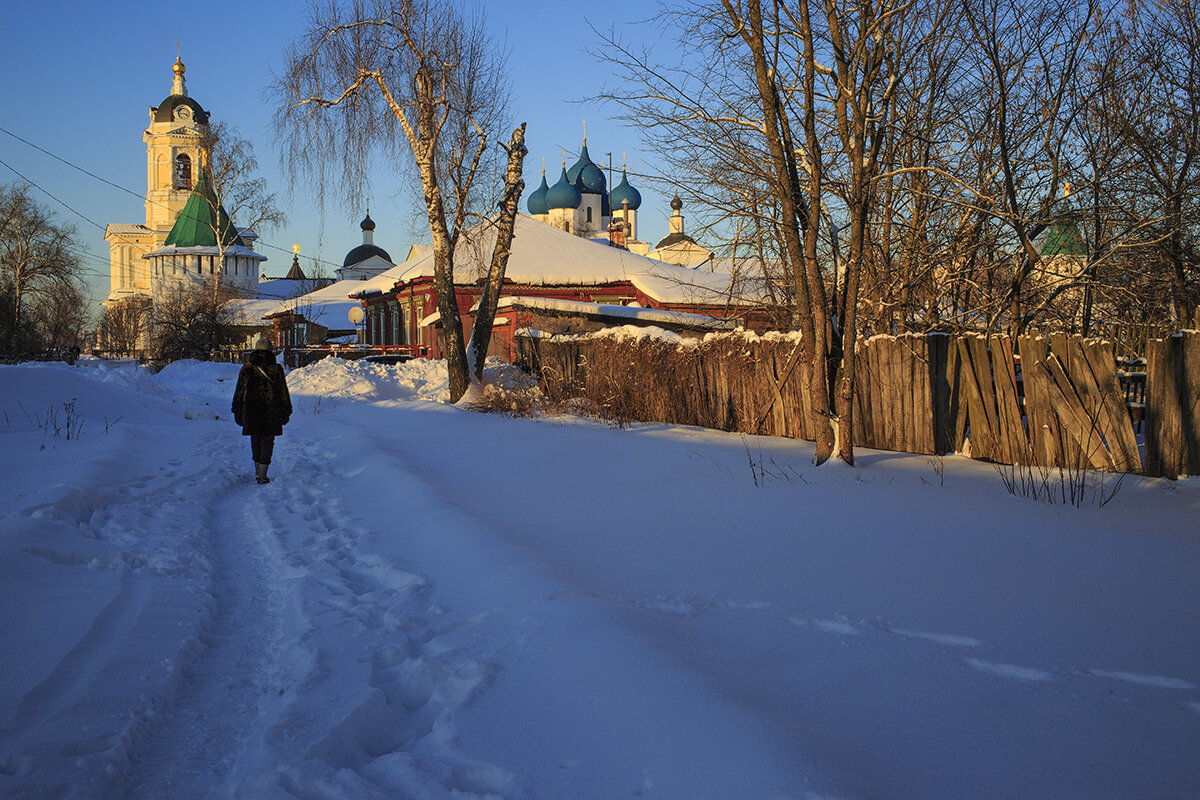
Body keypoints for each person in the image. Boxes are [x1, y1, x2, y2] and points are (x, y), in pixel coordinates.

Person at [232, 336, 292, 484]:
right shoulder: (276, 368)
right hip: (271, 409)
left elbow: (239, 390)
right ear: (271, 351)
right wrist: (286, 409)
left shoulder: (247, 368)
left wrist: (237, 409)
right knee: (267, 441)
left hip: (251, 409)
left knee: (255, 439)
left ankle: (257, 469)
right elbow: (282, 391)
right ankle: (263, 474)